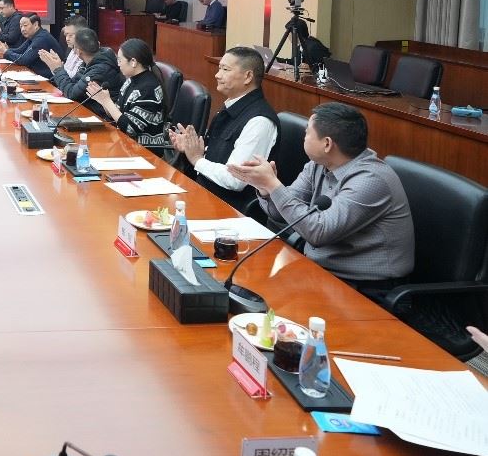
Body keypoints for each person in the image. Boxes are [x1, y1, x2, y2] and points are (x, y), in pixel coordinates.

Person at [228, 102, 415, 289]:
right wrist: (264, 187)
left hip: (365, 287)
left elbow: (319, 232)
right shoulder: (318, 165)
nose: (304, 136)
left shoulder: (371, 180)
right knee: (242, 285)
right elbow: (281, 214)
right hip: (318, 271)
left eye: (307, 132)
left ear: (327, 144)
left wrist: (273, 185)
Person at [169, 46, 278, 208]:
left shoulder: (259, 121)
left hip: (228, 209)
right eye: (219, 68)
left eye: (225, 69)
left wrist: (197, 159)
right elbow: (216, 157)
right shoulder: (229, 108)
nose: (217, 75)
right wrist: (191, 149)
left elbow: (236, 179)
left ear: (248, 76)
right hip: (203, 194)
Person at [86, 38, 170, 147]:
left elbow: (130, 128)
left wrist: (107, 102)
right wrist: (102, 100)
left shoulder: (148, 89)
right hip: (125, 142)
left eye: (120, 60)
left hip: (144, 149)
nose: (118, 64)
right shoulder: (130, 80)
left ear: (133, 62)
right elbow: (119, 114)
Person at [42, 27, 123, 102]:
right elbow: (73, 83)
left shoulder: (100, 68)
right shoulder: (88, 62)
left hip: (97, 111)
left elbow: (72, 93)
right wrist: (58, 69)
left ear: (78, 51)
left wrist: (58, 69)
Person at [0, 13, 64, 79]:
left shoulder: (42, 38)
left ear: (35, 25)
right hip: (36, 74)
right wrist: (6, 50)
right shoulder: (34, 36)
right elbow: (20, 50)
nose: (22, 29)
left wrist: (6, 52)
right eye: (21, 26)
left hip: (48, 78)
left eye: (25, 25)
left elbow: (24, 60)